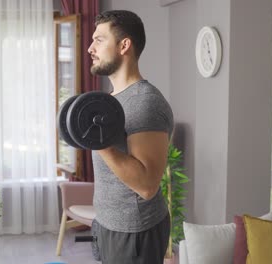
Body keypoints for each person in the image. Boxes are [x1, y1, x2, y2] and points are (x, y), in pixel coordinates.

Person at [87, 10, 174, 264]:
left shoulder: (144, 103)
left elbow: (147, 186)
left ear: (124, 45)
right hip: (109, 223)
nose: (91, 48)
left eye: (99, 40)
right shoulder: (114, 99)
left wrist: (98, 142)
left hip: (134, 230)